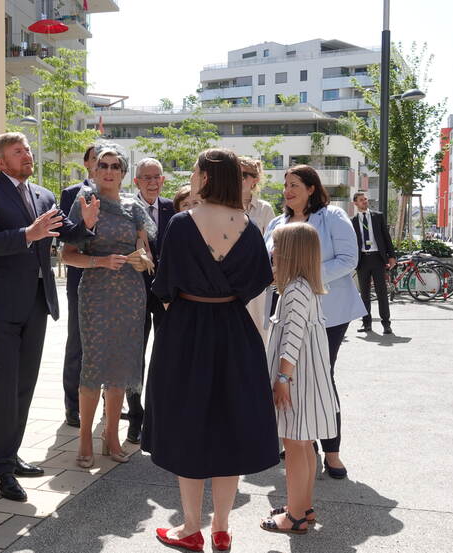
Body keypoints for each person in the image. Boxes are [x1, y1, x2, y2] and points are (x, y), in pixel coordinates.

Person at [143, 149, 278, 553]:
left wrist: (188, 307)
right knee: (230, 425)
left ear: (206, 177)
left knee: (188, 426)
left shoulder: (183, 223)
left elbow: (165, 286)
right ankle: (221, 528)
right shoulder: (250, 227)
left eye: (196, 170)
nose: (192, 175)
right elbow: (257, 283)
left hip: (187, 330)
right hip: (235, 332)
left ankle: (190, 528)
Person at [0, 132, 99, 503]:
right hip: (1, 305)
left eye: (26, 150)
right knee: (2, 387)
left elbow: (65, 233)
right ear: (0, 161)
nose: (26, 155)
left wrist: (86, 225)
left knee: (23, 386)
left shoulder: (42, 194)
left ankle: (10, 455)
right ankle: (0, 468)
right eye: (17, 151)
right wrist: (29, 233)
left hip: (37, 303)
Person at [264, 165, 365, 480]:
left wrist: (305, 281)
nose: (288, 190)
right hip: (289, 310)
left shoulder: (331, 217)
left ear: (311, 188)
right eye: (285, 185)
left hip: (328, 313)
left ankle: (332, 451)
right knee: (288, 375)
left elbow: (349, 260)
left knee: (321, 376)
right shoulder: (277, 223)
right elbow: (267, 265)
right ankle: (298, 441)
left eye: (295, 184)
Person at [62, 147, 155, 467]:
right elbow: (67, 254)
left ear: (124, 173)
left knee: (121, 368)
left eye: (116, 166)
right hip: (97, 294)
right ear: (94, 170)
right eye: (103, 165)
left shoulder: (134, 208)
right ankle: (85, 437)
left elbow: (146, 254)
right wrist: (100, 260)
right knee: (93, 365)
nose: (109, 171)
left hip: (131, 294)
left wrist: (142, 261)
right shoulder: (84, 204)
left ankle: (111, 436)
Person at [260, 222, 337, 535]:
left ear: (290, 253)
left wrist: (281, 378)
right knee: (303, 446)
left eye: (277, 246)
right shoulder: (303, 287)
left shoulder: (294, 291)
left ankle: (293, 516)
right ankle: (303, 508)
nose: (273, 252)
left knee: (294, 447)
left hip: (296, 383)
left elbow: (291, 339)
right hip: (305, 381)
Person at [126, 157, 175, 444]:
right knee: (135, 358)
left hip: (167, 295)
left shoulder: (173, 208)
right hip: (133, 294)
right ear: (136, 182)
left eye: (157, 176)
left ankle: (163, 415)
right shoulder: (126, 209)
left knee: (166, 356)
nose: (153, 182)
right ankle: (135, 417)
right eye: (146, 177)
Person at [59, 143, 100, 428]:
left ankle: (111, 404)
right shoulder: (72, 194)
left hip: (111, 282)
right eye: (97, 160)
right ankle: (72, 406)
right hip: (79, 277)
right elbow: (66, 236)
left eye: (109, 162)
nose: (102, 166)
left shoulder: (120, 196)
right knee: (78, 343)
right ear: (87, 164)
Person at [240, 157, 275, 345]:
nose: (238, 178)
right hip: (228, 281)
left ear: (255, 179)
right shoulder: (222, 206)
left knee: (258, 334)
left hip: (256, 283)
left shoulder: (264, 209)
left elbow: (272, 248)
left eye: (244, 174)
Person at [351, 191, 396, 334]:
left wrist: (392, 256)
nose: (365, 201)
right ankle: (366, 323)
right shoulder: (352, 221)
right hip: (362, 260)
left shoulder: (378, 217)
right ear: (355, 203)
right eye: (361, 200)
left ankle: (386, 324)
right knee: (364, 294)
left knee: (381, 292)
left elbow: (386, 237)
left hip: (377, 258)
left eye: (365, 199)